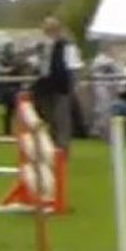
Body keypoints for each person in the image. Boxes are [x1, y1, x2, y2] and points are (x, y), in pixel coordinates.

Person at [33, 16, 83, 156]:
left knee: (62, 119)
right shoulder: (42, 45)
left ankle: (62, 149)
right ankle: (51, 146)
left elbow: (73, 66)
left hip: (62, 85)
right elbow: (38, 64)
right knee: (49, 118)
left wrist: (73, 86)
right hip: (44, 85)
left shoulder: (67, 45)